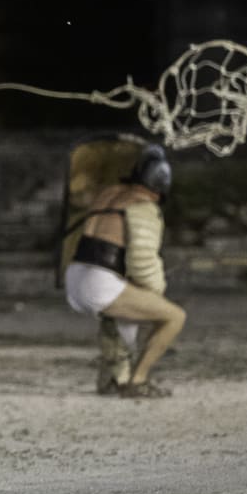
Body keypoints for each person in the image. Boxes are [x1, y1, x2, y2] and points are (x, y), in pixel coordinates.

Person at [64, 144, 184, 398]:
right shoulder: (143, 206)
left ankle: (113, 378)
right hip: (99, 282)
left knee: (123, 310)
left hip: (75, 274)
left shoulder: (109, 193)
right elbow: (142, 261)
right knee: (174, 317)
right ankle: (137, 381)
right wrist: (156, 292)